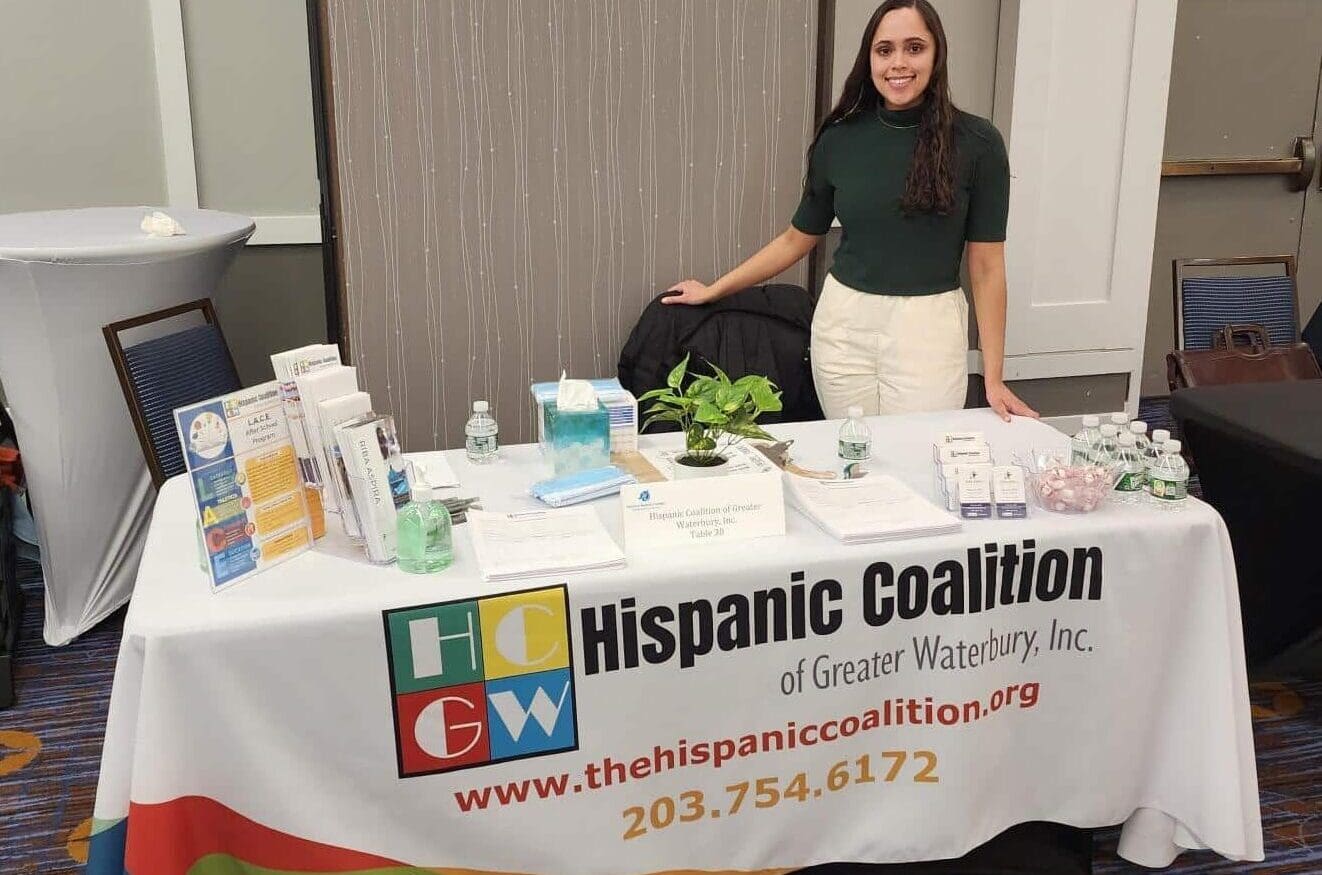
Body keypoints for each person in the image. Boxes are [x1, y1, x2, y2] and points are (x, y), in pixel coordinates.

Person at [665, 0, 1037, 423]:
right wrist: (715, 289)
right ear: (869, 58)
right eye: (885, 50)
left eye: (914, 48)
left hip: (927, 329)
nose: (898, 63)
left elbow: (987, 266)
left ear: (937, 55)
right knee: (851, 456)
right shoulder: (840, 138)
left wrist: (993, 377)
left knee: (918, 454)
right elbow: (796, 238)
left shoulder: (978, 144)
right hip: (844, 326)